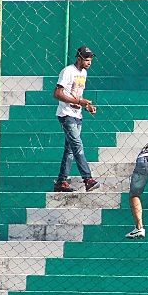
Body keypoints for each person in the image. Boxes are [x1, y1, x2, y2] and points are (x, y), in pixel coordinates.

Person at [53, 46, 100, 193]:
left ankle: (61, 182)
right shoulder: (68, 71)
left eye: (90, 59)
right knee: (77, 145)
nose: (89, 62)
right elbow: (57, 94)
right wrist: (80, 102)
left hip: (77, 114)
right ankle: (88, 179)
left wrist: (85, 106)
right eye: (86, 59)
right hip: (66, 115)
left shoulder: (84, 73)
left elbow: (76, 95)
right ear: (78, 58)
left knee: (70, 151)